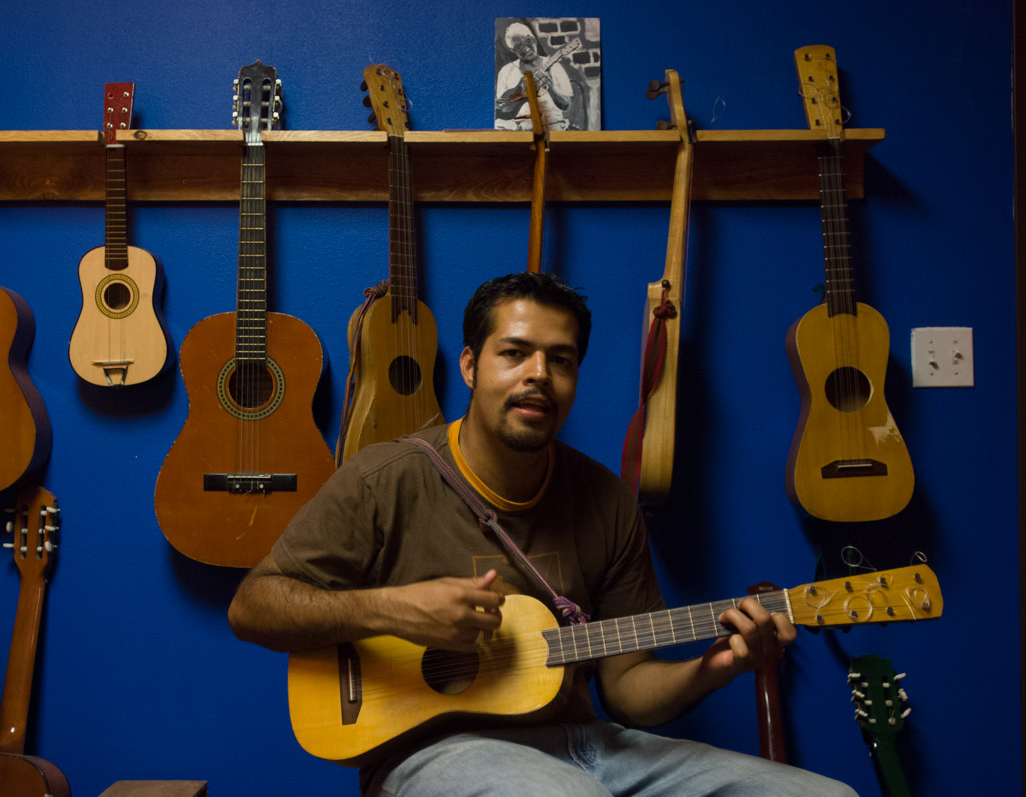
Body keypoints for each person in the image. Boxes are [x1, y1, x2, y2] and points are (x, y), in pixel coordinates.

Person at [228, 272, 858, 797]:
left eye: (561, 360)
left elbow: (627, 691)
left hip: (589, 745)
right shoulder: (384, 479)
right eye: (514, 353)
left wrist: (715, 668)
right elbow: (253, 607)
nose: (539, 375)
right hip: (431, 752)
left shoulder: (605, 500)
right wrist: (393, 609)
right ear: (470, 366)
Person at [495, 22, 574, 131]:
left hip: (550, 125)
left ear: (534, 40)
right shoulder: (506, 71)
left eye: (528, 42)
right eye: (519, 46)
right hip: (517, 128)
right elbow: (501, 107)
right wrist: (521, 91)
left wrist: (550, 87)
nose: (526, 49)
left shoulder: (554, 66)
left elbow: (566, 104)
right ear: (512, 50)